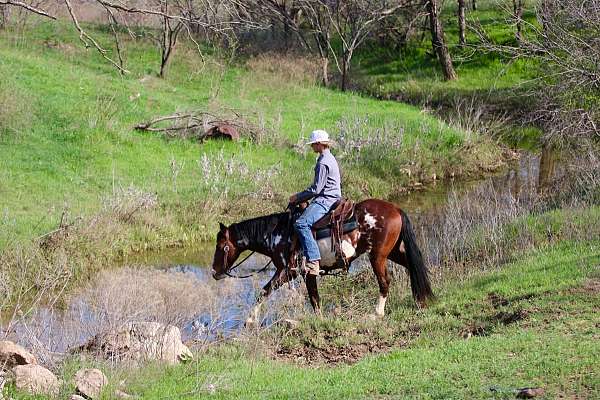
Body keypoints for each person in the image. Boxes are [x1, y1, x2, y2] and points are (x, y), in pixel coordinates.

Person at [289, 129, 342, 276]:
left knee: (301, 223)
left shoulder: (323, 162)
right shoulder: (329, 157)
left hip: (326, 199)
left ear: (319, 144)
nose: (312, 147)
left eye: (313, 144)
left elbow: (316, 189)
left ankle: (313, 261)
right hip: (331, 196)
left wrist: (297, 197)